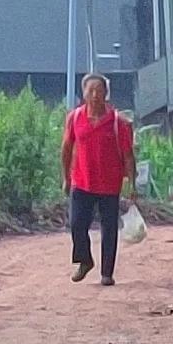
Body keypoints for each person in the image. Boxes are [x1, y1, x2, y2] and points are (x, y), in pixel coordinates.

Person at [63, 72, 135, 287]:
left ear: (106, 94)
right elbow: (66, 149)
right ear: (83, 93)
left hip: (109, 184)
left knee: (109, 228)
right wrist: (65, 177)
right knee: (77, 224)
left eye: (99, 90)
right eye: (90, 90)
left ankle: (107, 273)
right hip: (82, 181)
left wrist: (131, 184)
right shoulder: (75, 118)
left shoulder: (117, 122)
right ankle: (84, 260)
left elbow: (128, 155)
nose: (95, 95)